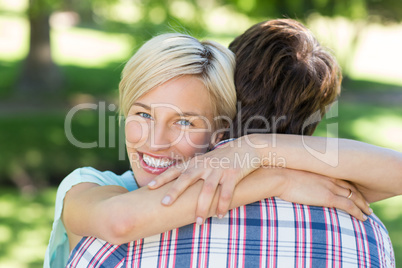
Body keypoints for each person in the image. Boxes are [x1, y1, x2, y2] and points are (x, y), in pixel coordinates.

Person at [47, 21, 400, 267]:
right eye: (142, 114)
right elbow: (119, 221)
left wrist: (257, 148)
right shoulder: (89, 186)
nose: (155, 141)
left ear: (221, 130)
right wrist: (279, 179)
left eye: (184, 121)